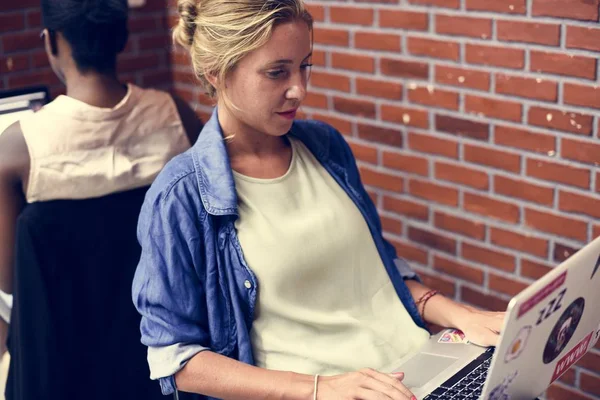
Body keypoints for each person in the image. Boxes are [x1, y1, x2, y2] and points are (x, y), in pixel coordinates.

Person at [132, 0, 504, 398]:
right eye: (277, 72)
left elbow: (380, 267)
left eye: (304, 66)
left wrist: (462, 316)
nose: (299, 89)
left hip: (417, 368)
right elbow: (175, 356)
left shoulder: (326, 146)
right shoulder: (181, 195)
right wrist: (319, 388)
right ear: (218, 73)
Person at [0, 0, 202, 367]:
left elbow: (9, 285)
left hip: (64, 368)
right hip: (164, 357)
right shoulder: (178, 117)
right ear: (122, 36)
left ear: (51, 42)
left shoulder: (16, 149)